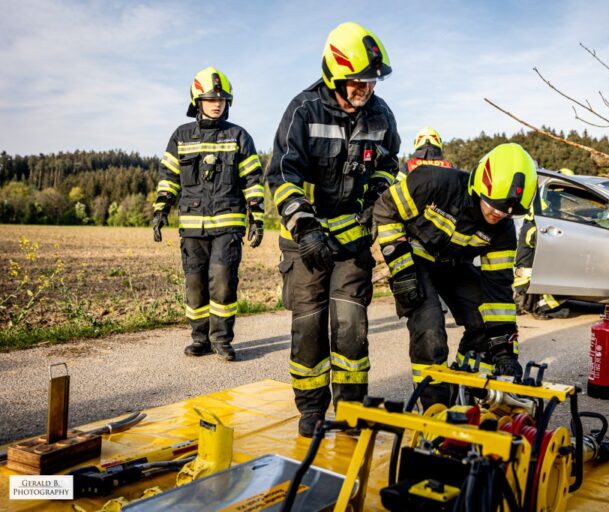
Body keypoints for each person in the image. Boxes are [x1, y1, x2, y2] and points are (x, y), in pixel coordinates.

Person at [266, 22, 400, 437]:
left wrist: (375, 198)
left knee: (351, 328)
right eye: (358, 82)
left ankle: (350, 410)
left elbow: (388, 165)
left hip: (351, 243)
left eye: (371, 82)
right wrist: (304, 228)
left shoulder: (381, 115)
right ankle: (310, 409)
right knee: (308, 328)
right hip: (305, 243)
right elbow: (281, 174)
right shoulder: (303, 110)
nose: (366, 90)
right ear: (335, 74)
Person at [373, 143, 536, 408]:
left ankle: (466, 394)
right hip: (414, 259)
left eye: (507, 211)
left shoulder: (503, 230)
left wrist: (504, 349)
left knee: (484, 318)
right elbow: (385, 210)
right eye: (494, 205)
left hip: (453, 265)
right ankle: (435, 408)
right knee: (430, 328)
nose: (498, 214)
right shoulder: (435, 182)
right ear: (479, 185)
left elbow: (498, 289)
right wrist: (401, 271)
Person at [152, 66, 264, 362]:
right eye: (211, 98)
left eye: (222, 99)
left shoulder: (239, 136)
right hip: (191, 225)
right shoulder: (181, 135)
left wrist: (258, 217)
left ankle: (222, 340)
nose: (217, 103)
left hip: (228, 225)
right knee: (195, 284)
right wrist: (161, 208)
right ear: (197, 101)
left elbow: (252, 179)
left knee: (223, 279)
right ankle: (199, 338)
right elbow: (169, 176)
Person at [513, 168, 571, 320]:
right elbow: (542, 244)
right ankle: (538, 308)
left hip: (531, 280)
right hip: (527, 285)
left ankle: (536, 306)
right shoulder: (532, 229)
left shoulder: (532, 224)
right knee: (560, 281)